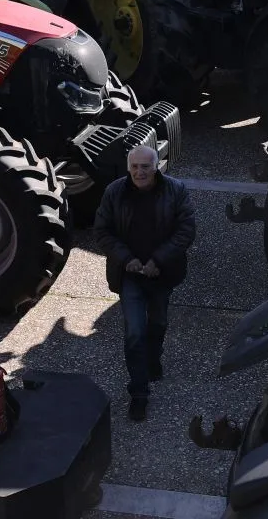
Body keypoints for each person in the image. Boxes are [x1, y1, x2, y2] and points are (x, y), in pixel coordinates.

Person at [95, 145, 196, 421]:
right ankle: (139, 393)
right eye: (135, 167)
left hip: (161, 274)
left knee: (159, 323)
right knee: (135, 332)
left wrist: (157, 261)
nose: (140, 172)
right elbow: (102, 231)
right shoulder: (114, 192)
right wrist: (126, 259)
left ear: (156, 167)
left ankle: (153, 359)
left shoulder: (177, 191)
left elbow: (186, 230)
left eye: (145, 167)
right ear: (129, 168)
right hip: (130, 276)